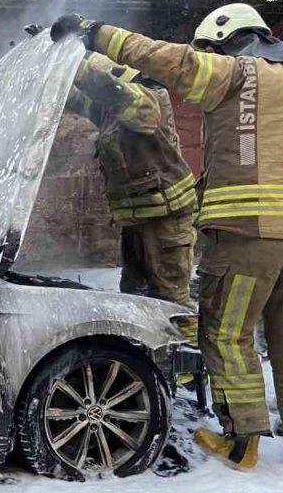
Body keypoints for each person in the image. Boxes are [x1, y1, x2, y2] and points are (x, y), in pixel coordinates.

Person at [51, 4, 283, 467]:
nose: (207, 57)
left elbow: (169, 60)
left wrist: (93, 34)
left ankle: (242, 442)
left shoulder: (239, 73)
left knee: (227, 335)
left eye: (210, 49)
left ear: (225, 43)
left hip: (249, 234)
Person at [66, 53, 197, 332]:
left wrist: (77, 67)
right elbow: (76, 99)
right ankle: (145, 352)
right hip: (137, 218)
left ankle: (188, 356)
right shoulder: (108, 109)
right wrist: (54, 67)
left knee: (171, 302)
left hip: (166, 218)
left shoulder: (147, 100)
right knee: (134, 295)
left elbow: (117, 95)